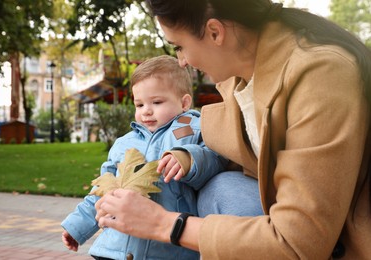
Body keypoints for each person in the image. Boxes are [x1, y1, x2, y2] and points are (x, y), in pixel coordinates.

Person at [95, 0, 371, 259]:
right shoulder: (239, 83)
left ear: (215, 32)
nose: (181, 61)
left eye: (179, 46)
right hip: (287, 227)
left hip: (330, 245)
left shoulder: (320, 73)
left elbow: (299, 240)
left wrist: (163, 224)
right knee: (220, 186)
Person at [61, 55, 260, 260]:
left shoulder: (195, 129)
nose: (146, 111)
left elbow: (215, 158)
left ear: (184, 102)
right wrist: (76, 227)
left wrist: (187, 159)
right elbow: (102, 191)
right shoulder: (124, 144)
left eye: (156, 102)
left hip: (167, 249)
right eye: (139, 105)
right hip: (115, 246)